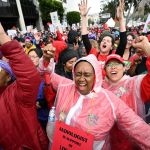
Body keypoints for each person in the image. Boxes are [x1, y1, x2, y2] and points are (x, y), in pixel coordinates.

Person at [38, 40, 150, 149]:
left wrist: (148, 49)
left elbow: (139, 129)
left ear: (95, 75)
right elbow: (46, 73)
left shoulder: (110, 101)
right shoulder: (66, 86)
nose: (81, 79)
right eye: (78, 74)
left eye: (87, 74)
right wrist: (47, 58)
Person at [0, 23, 48, 149]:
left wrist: (2, 36)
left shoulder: (15, 93)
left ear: (8, 76)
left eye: (34, 57)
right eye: (29, 56)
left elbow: (30, 77)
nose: (32, 59)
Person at [102, 36, 150, 149]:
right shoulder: (99, 89)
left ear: (124, 68)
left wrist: (147, 48)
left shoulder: (136, 84)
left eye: (117, 64)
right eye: (109, 65)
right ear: (105, 70)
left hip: (133, 145)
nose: (113, 67)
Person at [80, 0, 127, 66]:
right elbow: (85, 38)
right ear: (100, 43)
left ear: (111, 47)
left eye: (108, 41)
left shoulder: (114, 56)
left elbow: (123, 42)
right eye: (103, 40)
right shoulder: (93, 54)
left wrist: (121, 19)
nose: (104, 42)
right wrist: (83, 17)